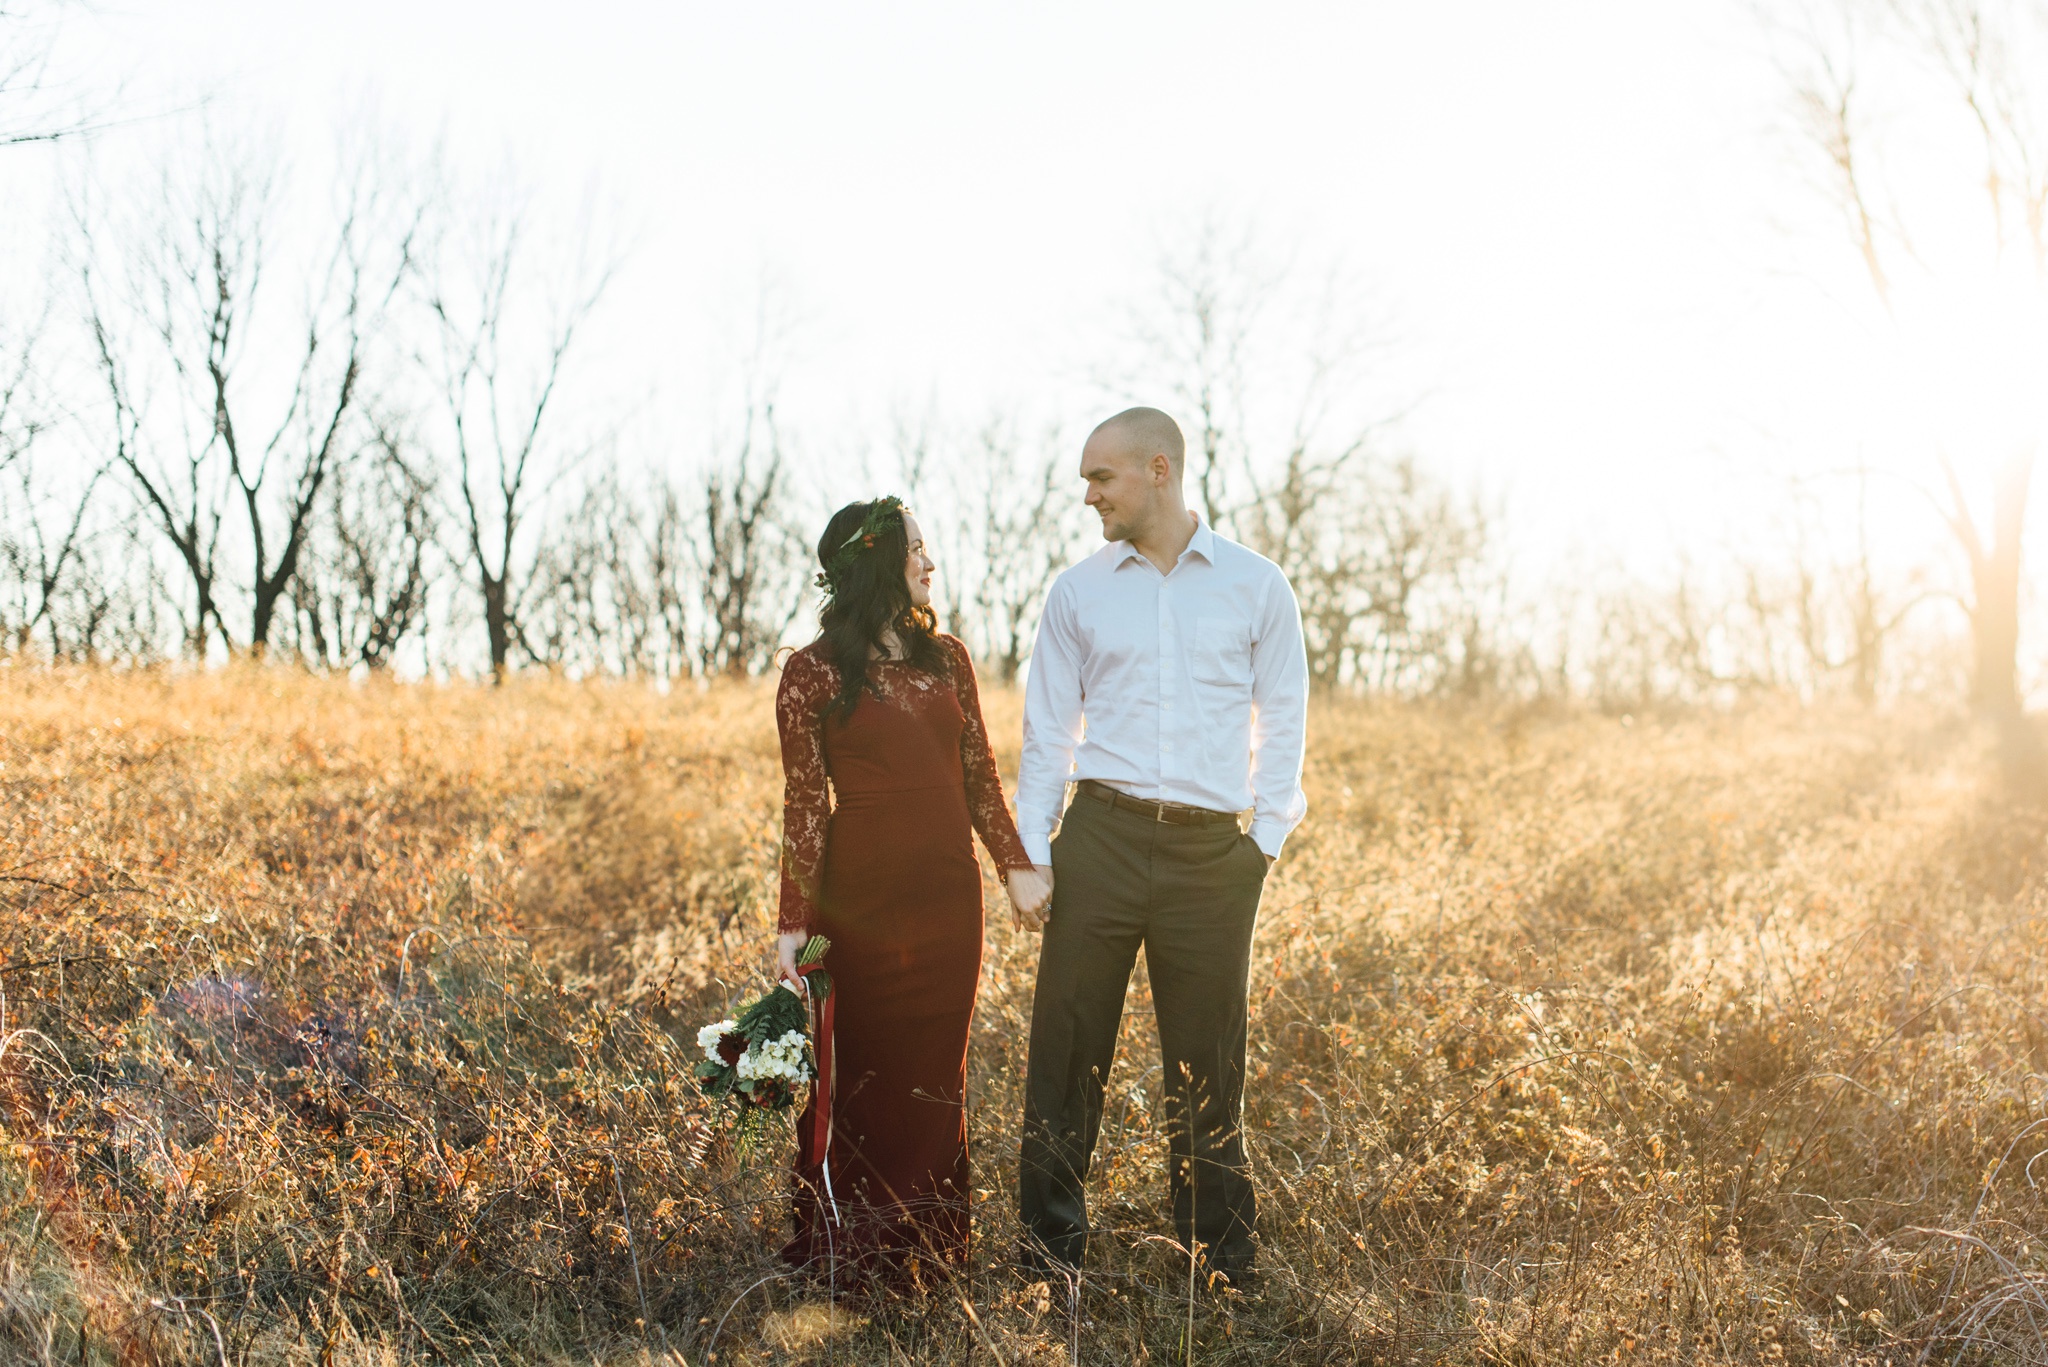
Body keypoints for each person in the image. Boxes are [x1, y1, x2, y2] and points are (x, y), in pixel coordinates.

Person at [1014, 407, 1309, 1288]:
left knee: (1207, 1061)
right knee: (1066, 1050)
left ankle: (1217, 1263)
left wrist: (1262, 841)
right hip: (1098, 839)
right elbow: (1046, 735)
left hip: (1213, 858)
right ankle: (1047, 1258)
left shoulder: (1258, 586)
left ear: (1159, 469)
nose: (1089, 496)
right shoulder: (1077, 592)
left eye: (1100, 478)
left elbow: (1286, 718)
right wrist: (1033, 852)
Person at [773, 496, 1053, 1283]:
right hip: (856, 905)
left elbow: (980, 778)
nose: (931, 563)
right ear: (877, 565)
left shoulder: (948, 658)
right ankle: (851, 1248)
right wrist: (794, 923)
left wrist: (1016, 866)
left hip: (946, 903)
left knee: (937, 1070)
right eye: (917, 550)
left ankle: (927, 1255)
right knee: (860, 1069)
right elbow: (803, 806)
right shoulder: (812, 671)